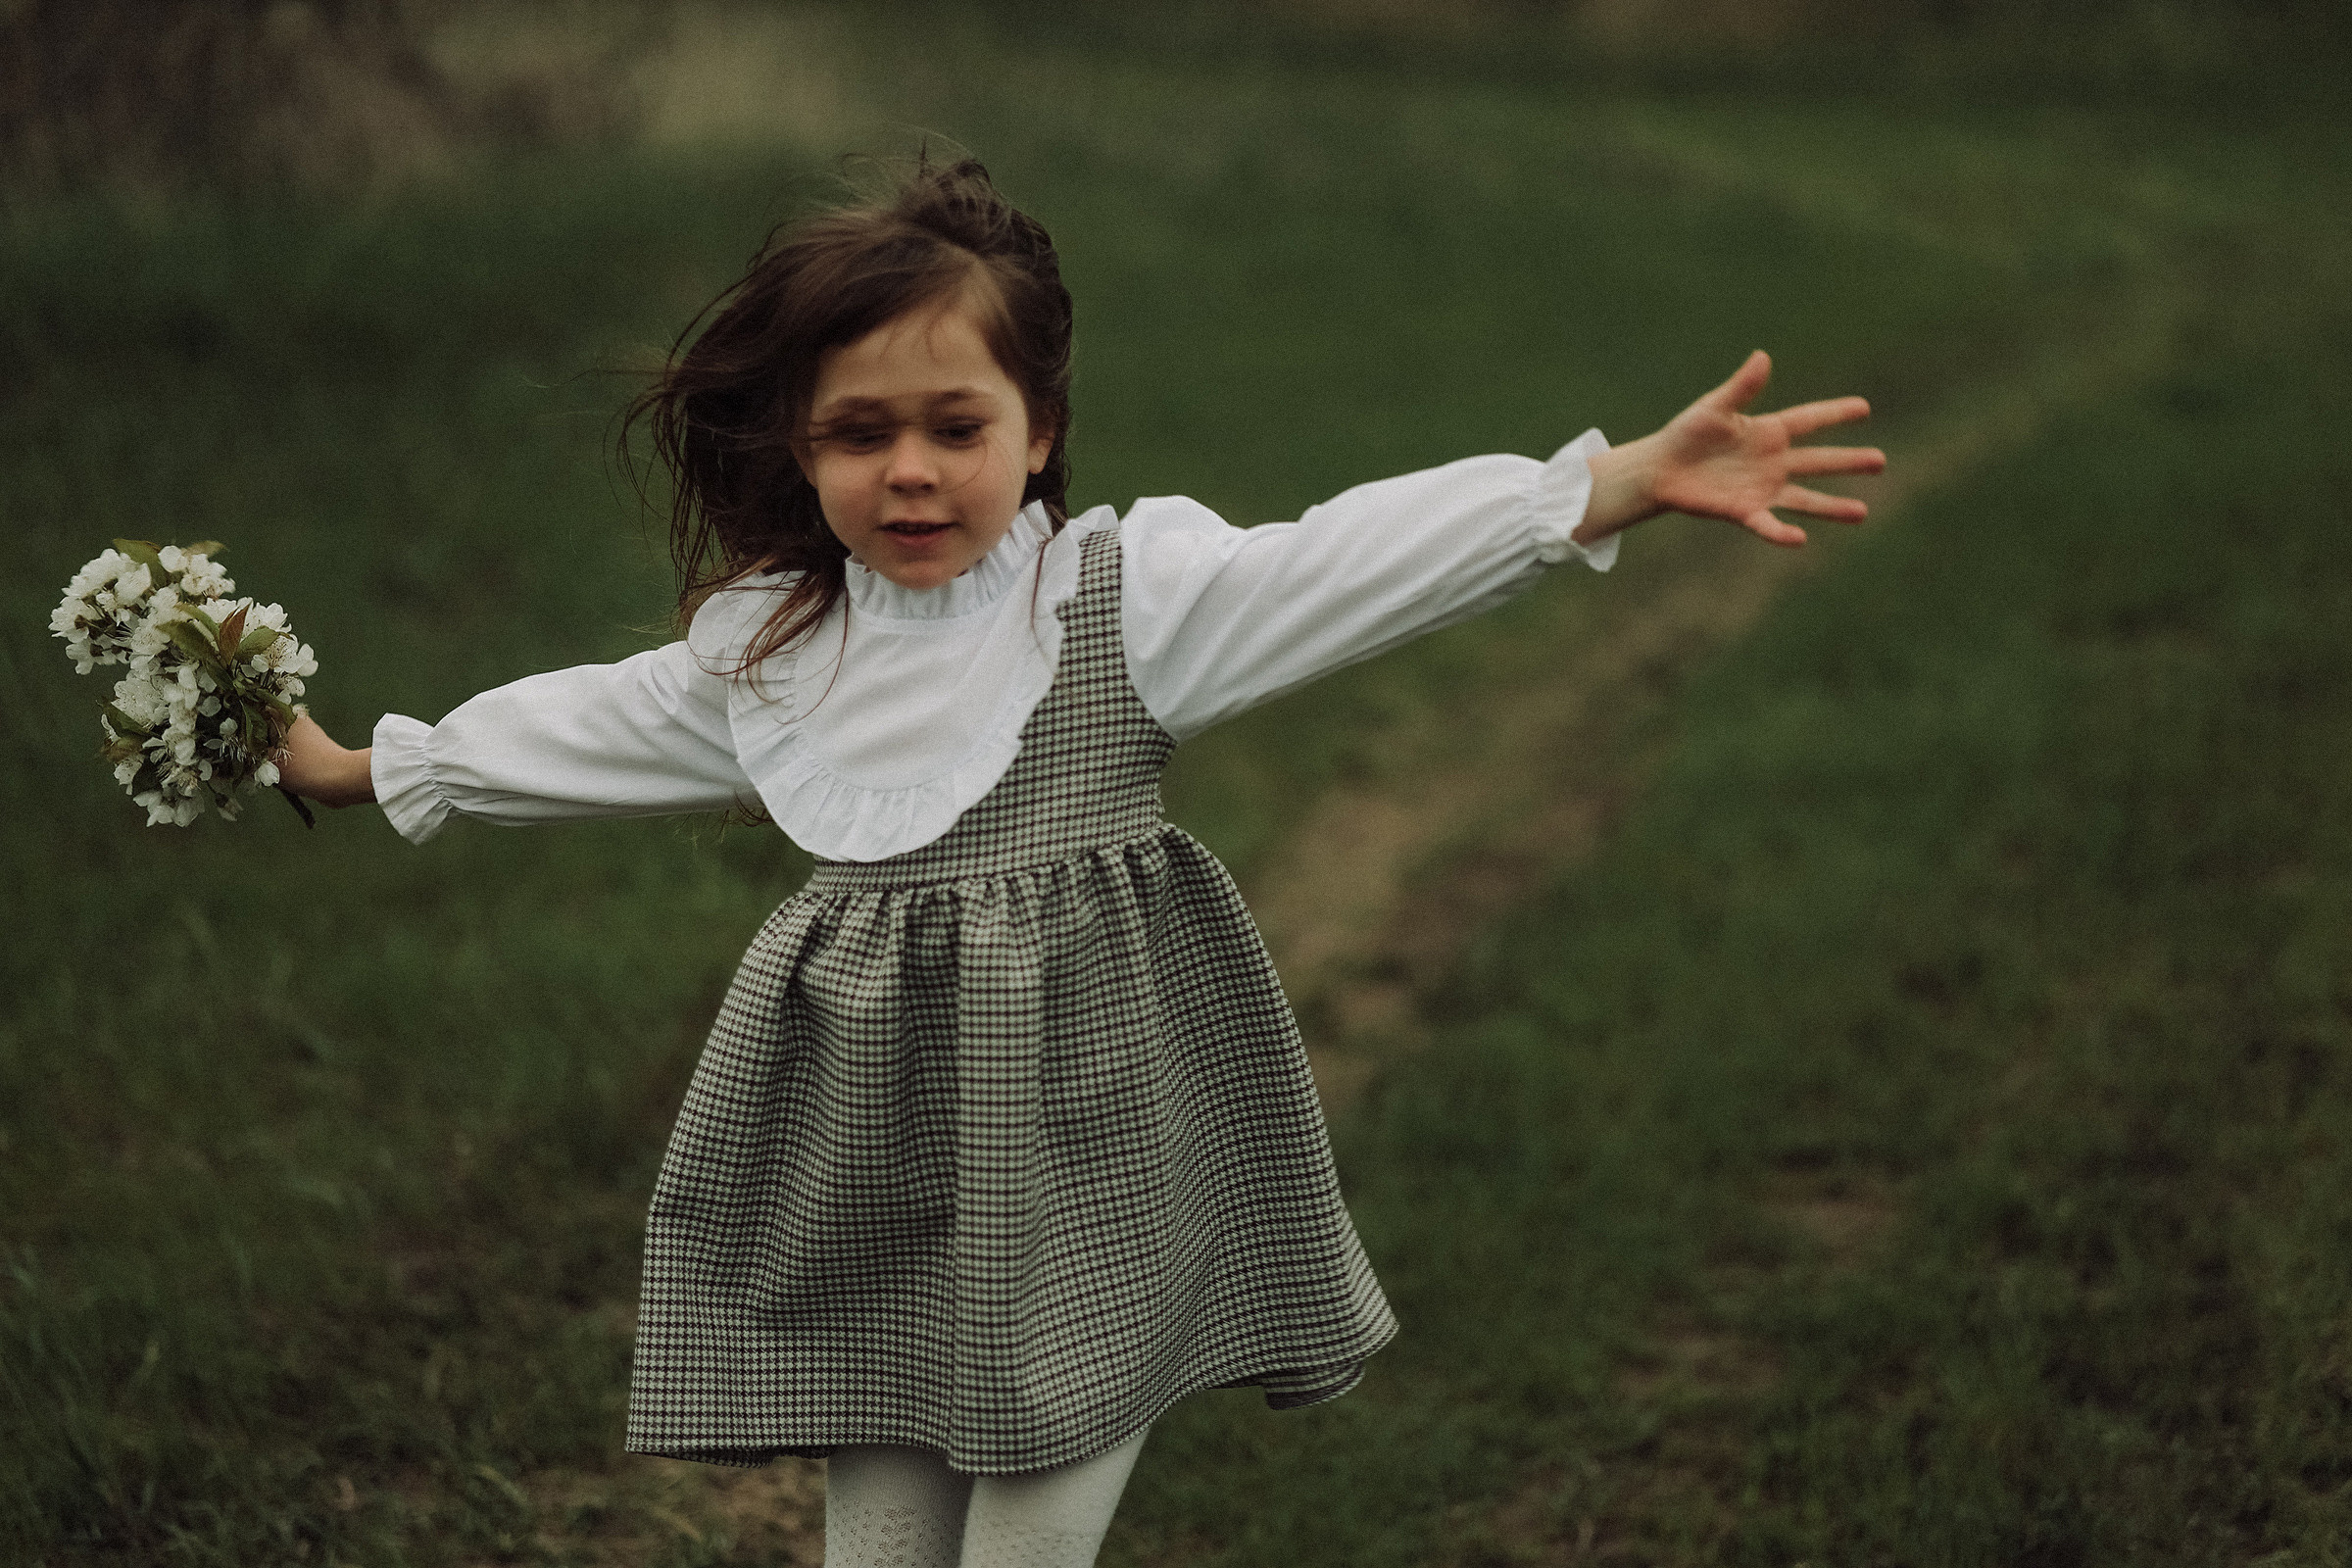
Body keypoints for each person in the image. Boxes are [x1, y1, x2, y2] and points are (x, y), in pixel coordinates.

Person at [275, 157, 1883, 1568]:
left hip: (1097, 1115)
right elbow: (587, 728)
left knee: (1044, 1475)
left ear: (1037, 432)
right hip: (877, 1142)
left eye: (954, 426)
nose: (910, 470)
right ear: (802, 446)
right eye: (860, 434)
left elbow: (1342, 559)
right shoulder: (769, 655)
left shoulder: (1117, 604)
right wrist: (367, 767)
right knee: (883, 1484)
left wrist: (1593, 489)